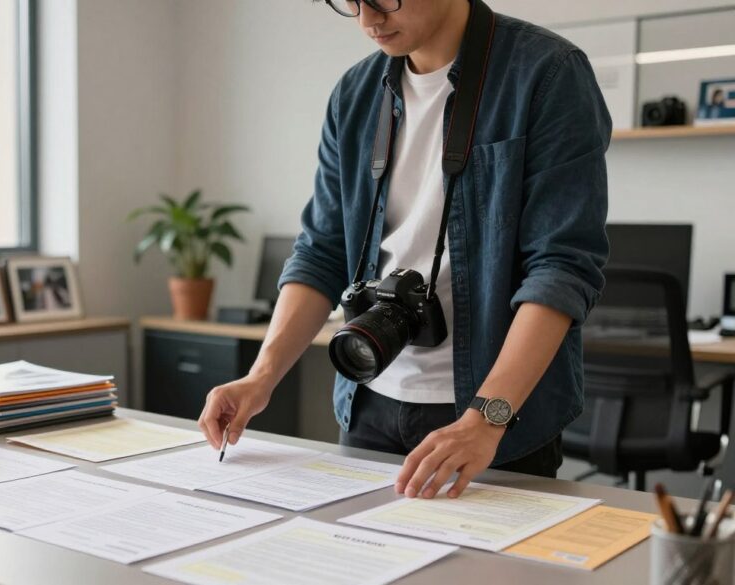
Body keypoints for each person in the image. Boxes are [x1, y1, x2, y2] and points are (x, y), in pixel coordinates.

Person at [198, 0, 610, 500]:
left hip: (496, 419)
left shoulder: (547, 74)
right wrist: (259, 378)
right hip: (368, 398)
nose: (367, 19)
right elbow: (321, 252)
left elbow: (561, 267)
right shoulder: (354, 94)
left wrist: (488, 417)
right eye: (349, 1)